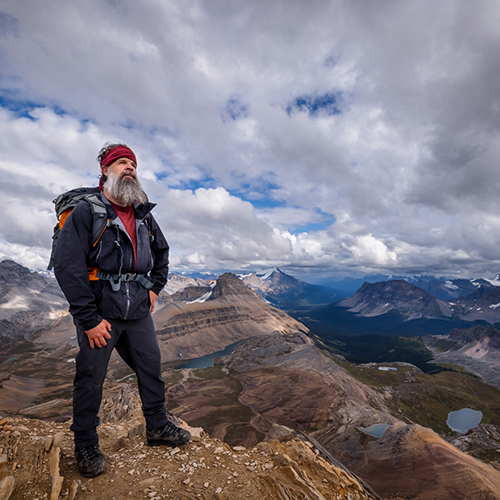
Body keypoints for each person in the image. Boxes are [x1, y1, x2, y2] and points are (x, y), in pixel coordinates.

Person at [54, 143, 190, 478]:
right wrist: (88, 320)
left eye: (132, 163)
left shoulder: (143, 213)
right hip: (102, 312)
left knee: (151, 367)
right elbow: (67, 266)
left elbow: (162, 253)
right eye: (120, 163)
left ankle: (157, 426)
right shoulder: (88, 211)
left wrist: (155, 288)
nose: (128, 167)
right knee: (90, 378)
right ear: (105, 170)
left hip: (138, 310)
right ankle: (85, 444)